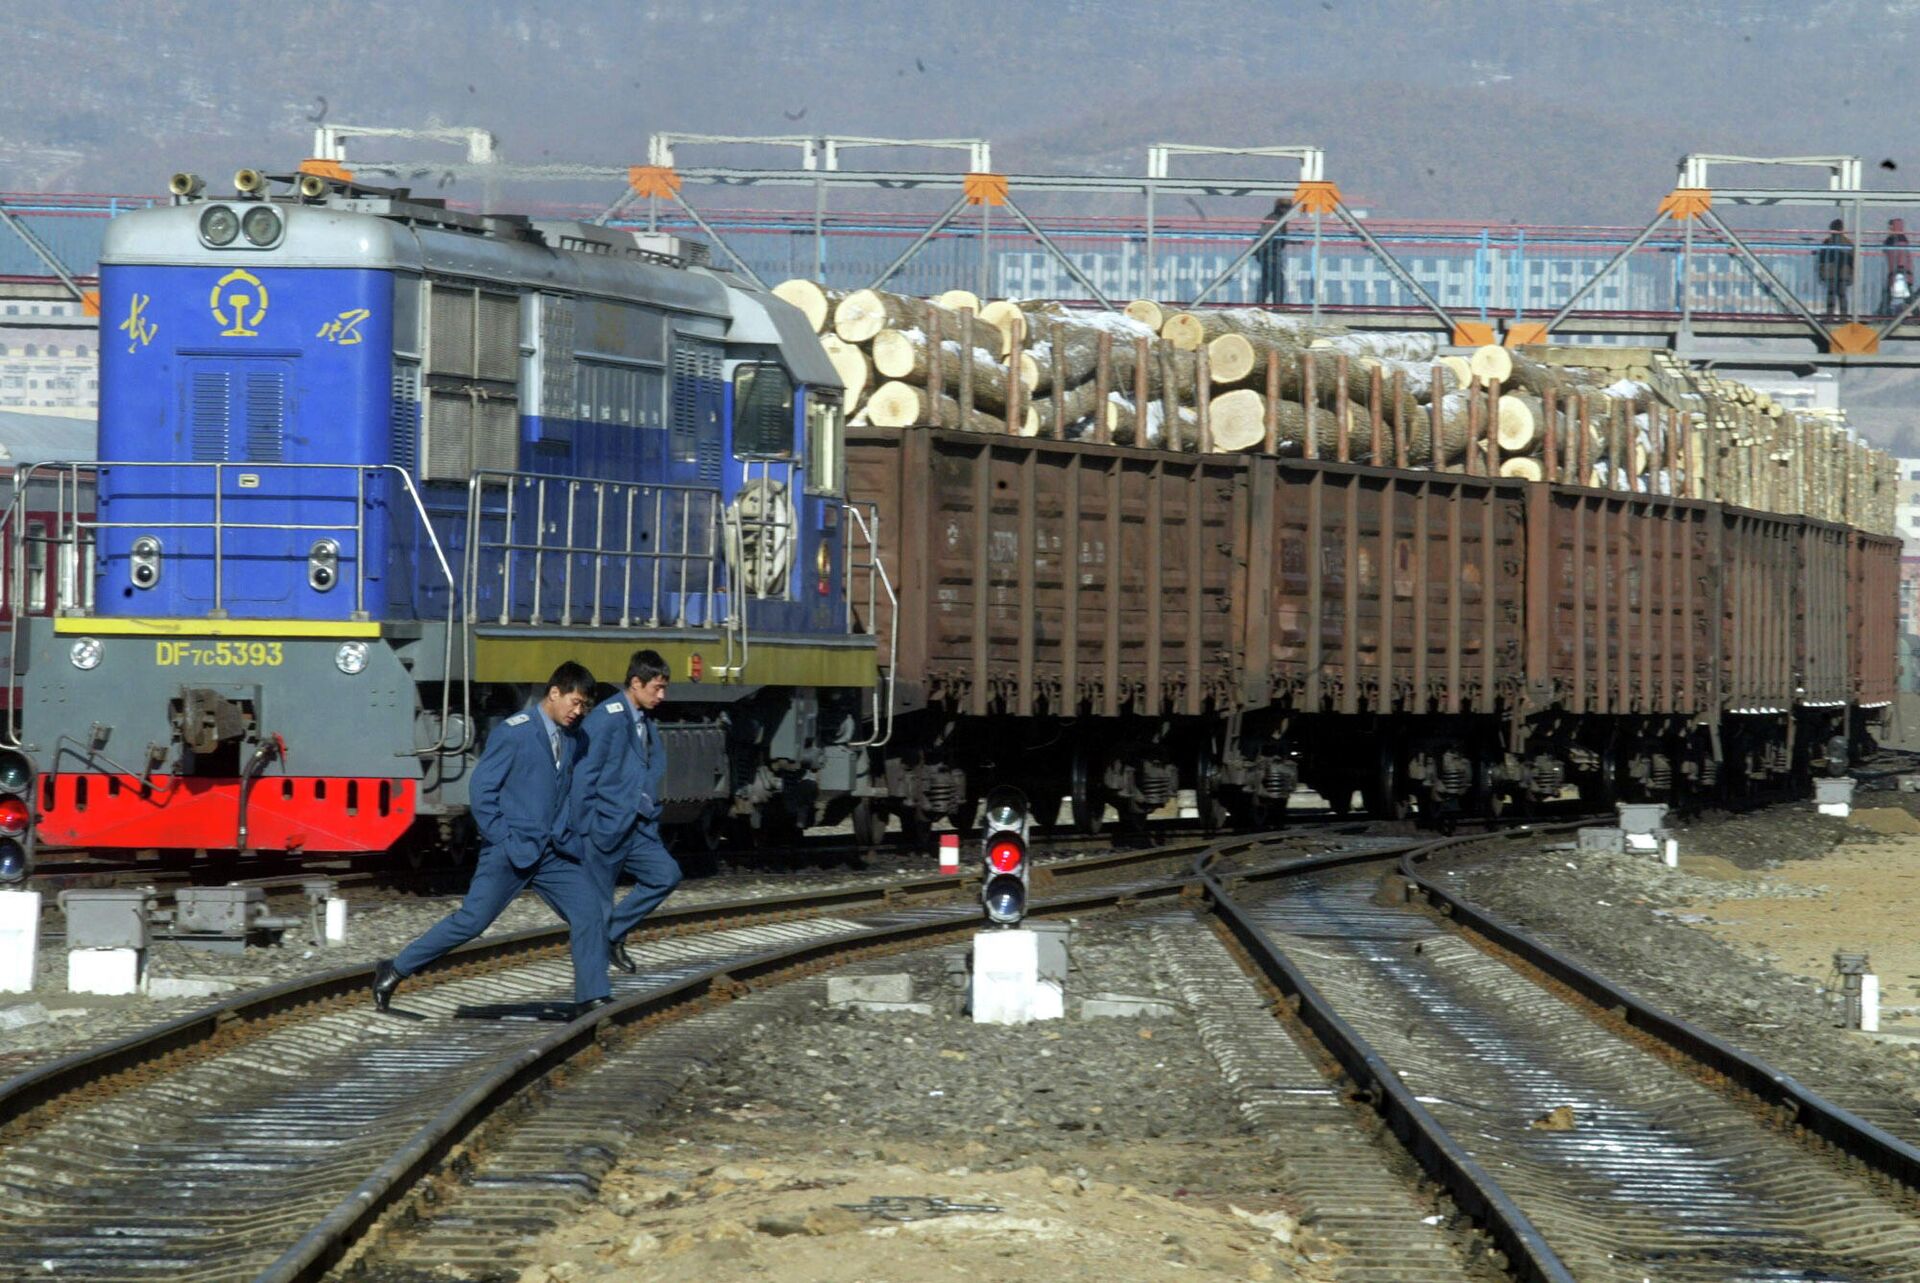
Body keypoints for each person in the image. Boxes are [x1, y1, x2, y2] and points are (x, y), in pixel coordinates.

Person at [374, 662, 611, 1014]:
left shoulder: (574, 737)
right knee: (471, 921)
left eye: (584, 707)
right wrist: (502, 836)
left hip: (553, 851)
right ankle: (395, 969)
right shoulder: (514, 732)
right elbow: (482, 790)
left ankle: (591, 998)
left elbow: (564, 789)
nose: (579, 712)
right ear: (554, 693)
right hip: (509, 850)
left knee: (590, 910)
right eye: (575, 703)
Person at [571, 648, 679, 974]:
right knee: (598, 904)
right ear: (635, 682)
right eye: (656, 688)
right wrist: (586, 824)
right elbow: (584, 774)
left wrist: (647, 806)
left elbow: (651, 764)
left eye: (664, 688)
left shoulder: (644, 720)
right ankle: (593, 991)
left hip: (636, 826)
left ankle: (612, 934)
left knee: (666, 875)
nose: (662, 695)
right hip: (604, 827)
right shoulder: (607, 718)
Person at [1254, 197, 1289, 306]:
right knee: (1277, 280)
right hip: (1269, 254)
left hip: (1267, 253)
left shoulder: (1273, 218)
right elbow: (1267, 236)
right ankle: (1277, 304)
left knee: (1267, 279)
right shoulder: (1275, 219)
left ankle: (1261, 304)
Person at [1816, 218, 1855, 317]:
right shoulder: (1848, 243)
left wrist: (1821, 271)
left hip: (1831, 272)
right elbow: (1852, 259)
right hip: (1843, 273)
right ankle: (1843, 316)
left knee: (1831, 293)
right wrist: (1851, 273)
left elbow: (1822, 258)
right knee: (1841, 294)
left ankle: (1830, 315)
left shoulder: (1827, 242)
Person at [1884, 218, 1913, 314]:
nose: (1889, 228)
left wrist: (1900, 270)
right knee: (1907, 297)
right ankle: (1883, 314)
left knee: (1890, 295)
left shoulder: (1899, 240)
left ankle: (1883, 314)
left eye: (1890, 226)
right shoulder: (1896, 239)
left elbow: (1901, 256)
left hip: (1899, 273)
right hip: (1898, 273)